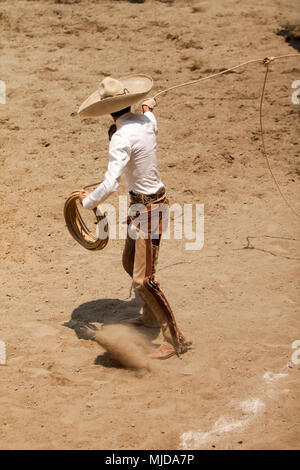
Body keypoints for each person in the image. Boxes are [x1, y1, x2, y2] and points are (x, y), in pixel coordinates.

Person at [77, 75, 189, 359]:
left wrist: (87, 201)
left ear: (108, 110)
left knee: (144, 279)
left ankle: (175, 338)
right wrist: (149, 106)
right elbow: (151, 116)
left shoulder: (121, 138)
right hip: (145, 205)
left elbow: (111, 183)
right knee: (130, 263)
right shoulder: (146, 122)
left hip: (148, 208)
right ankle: (150, 318)